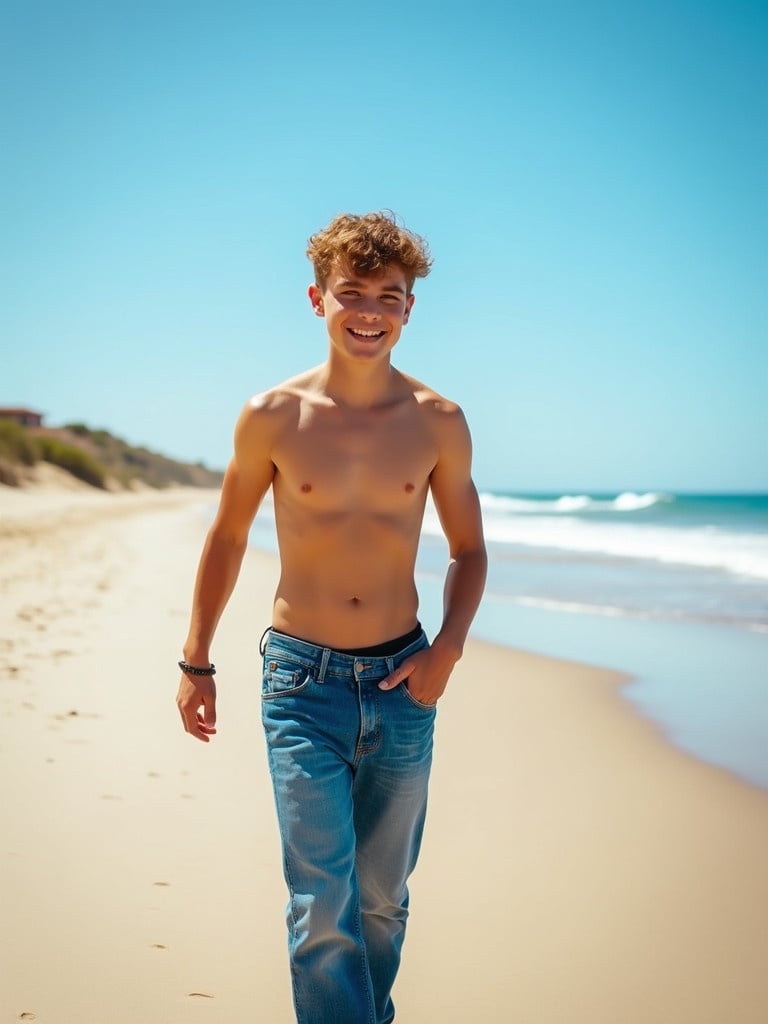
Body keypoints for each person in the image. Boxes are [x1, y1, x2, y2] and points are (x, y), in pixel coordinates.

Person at [176, 211, 487, 1024]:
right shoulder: (272, 414)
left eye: (390, 295)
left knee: (381, 900)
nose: (370, 310)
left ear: (410, 309)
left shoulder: (439, 421)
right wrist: (195, 659)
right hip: (300, 680)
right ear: (318, 298)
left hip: (401, 681)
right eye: (353, 291)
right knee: (321, 902)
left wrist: (448, 649)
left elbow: (469, 550)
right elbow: (229, 535)